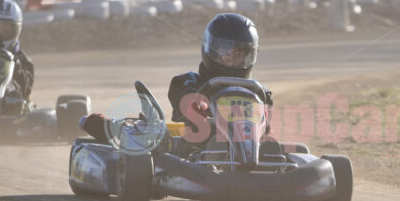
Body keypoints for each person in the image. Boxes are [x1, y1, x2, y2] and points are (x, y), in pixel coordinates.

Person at [82, 13, 273, 146]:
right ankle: (115, 129)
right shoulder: (187, 82)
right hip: (192, 147)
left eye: (238, 53)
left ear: (250, 54)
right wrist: (202, 110)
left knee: (290, 151)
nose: (229, 58)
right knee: (149, 137)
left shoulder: (260, 93)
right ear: (210, 48)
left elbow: (264, 131)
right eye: (224, 50)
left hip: (244, 149)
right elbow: (189, 111)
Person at [0, 0, 34, 103]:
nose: (1, 34)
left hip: (8, 112)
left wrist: (15, 67)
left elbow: (25, 90)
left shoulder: (23, 60)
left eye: (6, 31)